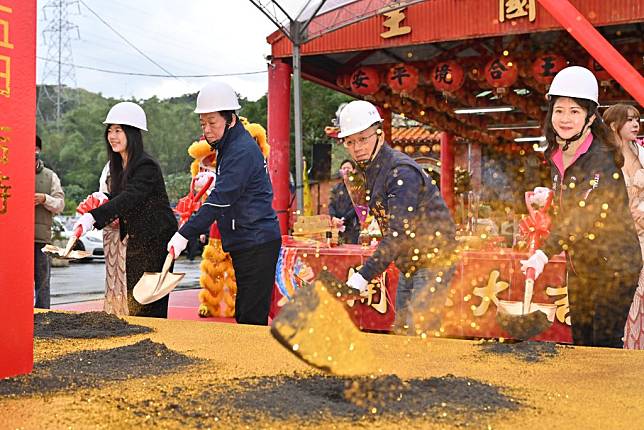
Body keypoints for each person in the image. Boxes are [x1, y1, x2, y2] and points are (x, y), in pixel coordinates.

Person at [520, 66, 641, 348]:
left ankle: (607, 392)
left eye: (574, 111)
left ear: (589, 116)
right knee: (582, 340)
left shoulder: (600, 159)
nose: (565, 119)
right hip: (581, 263)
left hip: (616, 265)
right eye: (559, 110)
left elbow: (582, 217)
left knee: (602, 344)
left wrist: (543, 254)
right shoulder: (558, 152)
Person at [337, 100, 458, 336]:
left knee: (420, 333)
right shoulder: (371, 168)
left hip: (435, 260)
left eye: (363, 138)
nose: (357, 147)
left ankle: (430, 372)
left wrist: (364, 275)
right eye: (350, 142)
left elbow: (399, 232)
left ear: (379, 134)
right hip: (410, 261)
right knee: (402, 330)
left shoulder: (400, 171)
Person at [166, 82, 281, 326]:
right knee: (246, 314)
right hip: (249, 239)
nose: (207, 130)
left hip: (257, 240)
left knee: (251, 319)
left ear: (231, 118)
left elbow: (221, 200)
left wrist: (184, 233)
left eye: (212, 123)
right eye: (203, 123)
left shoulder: (240, 150)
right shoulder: (230, 145)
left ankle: (256, 363)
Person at [74, 102, 177, 318]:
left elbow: (131, 198)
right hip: (135, 239)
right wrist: (105, 198)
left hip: (156, 241)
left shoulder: (145, 165)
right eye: (109, 130)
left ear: (132, 133)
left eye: (118, 130)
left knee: (149, 305)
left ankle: (153, 347)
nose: (112, 136)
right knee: (134, 301)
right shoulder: (118, 165)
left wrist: (94, 217)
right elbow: (122, 197)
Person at [603, 104, 644, 349]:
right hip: (618, 237)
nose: (635, 124)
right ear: (612, 125)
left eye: (637, 119)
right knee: (625, 294)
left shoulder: (643, 152)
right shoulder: (604, 157)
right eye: (629, 120)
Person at [34, 135, 65, 309]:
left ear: (39, 150)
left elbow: (60, 204)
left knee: (43, 284)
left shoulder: (50, 176)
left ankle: (42, 317)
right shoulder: (10, 171)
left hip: (41, 240)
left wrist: (45, 198)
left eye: (35, 147)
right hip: (14, 240)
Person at [329, 159, 360, 244]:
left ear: (354, 171)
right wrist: (333, 217)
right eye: (343, 168)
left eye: (348, 168)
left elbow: (357, 207)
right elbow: (331, 204)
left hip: (353, 228)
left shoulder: (358, 188)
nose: (346, 170)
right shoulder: (337, 188)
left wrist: (344, 219)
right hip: (337, 228)